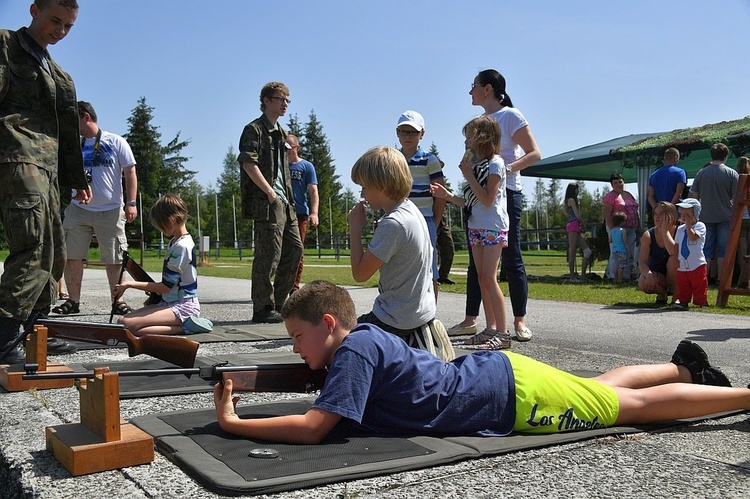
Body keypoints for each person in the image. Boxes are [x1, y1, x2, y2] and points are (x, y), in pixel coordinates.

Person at [213, 280, 746, 445]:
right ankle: (683, 367)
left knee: (629, 407)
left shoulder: (353, 350)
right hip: (499, 380)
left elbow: (313, 428)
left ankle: (741, 396)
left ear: (329, 325)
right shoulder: (363, 338)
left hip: (510, 396)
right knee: (599, 387)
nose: (296, 349)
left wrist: (235, 422)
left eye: (299, 337)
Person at [0, 0, 92, 363]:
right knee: (33, 244)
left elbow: (68, 133)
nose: (60, 31)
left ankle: (37, 330)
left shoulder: (59, 74)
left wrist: (75, 178)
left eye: (68, 25)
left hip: (49, 169)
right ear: (34, 9)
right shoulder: (6, 46)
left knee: (55, 250)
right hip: (16, 157)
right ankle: (4, 336)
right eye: (55, 20)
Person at [447, 69, 541, 343]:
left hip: (506, 193)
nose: (470, 91)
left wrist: (500, 170)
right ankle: (473, 321)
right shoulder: (478, 122)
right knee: (480, 270)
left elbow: (535, 153)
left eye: (473, 86)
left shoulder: (510, 114)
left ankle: (517, 321)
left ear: (487, 89)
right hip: (480, 200)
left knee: (511, 259)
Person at [348, 146, 453, 361]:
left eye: (365, 187)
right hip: (420, 312)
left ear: (382, 185)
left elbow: (359, 274)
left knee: (341, 344)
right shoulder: (411, 210)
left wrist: (355, 228)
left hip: (396, 318)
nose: (362, 194)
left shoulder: (393, 224)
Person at [52, 101, 138, 317]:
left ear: (87, 117)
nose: (73, 125)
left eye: (76, 119)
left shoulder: (116, 141)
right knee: (71, 256)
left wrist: (131, 202)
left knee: (115, 257)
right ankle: (73, 301)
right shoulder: (72, 144)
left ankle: (118, 301)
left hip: (110, 209)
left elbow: (130, 172)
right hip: (77, 208)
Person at [431, 116, 510, 350]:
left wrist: (468, 176)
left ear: (483, 137)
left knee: (489, 279)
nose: (466, 141)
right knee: (481, 279)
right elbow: (470, 202)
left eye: (470, 135)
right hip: (476, 225)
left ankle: (503, 334)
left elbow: (487, 199)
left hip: (492, 226)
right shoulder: (477, 166)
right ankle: (491, 329)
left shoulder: (496, 164)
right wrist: (446, 195)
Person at [238, 82, 303, 323]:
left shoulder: (283, 133)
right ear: (266, 100)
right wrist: (269, 192)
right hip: (268, 201)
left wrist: (287, 198)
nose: (284, 104)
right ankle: (262, 307)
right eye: (280, 99)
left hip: (286, 201)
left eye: (287, 100)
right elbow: (248, 163)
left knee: (295, 249)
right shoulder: (254, 130)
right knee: (269, 254)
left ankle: (279, 302)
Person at [114, 195, 201, 336]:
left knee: (127, 325)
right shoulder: (175, 242)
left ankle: (187, 327)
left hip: (183, 306)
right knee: (123, 322)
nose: (160, 228)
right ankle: (182, 325)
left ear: (173, 218)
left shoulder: (182, 246)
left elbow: (165, 287)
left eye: (162, 223)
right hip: (169, 303)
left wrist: (129, 284)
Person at [396, 110, 446, 298]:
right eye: (404, 131)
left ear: (422, 134)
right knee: (401, 267)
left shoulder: (429, 160)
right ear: (397, 133)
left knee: (429, 268)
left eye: (413, 132)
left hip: (425, 220)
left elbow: (440, 194)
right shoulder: (394, 159)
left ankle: (430, 315)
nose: (408, 136)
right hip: (400, 219)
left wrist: (436, 220)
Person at [689, 143, 739, 285]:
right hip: (725, 216)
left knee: (706, 249)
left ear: (711, 155)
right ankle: (721, 280)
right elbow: (737, 199)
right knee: (723, 249)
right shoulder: (731, 173)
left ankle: (704, 279)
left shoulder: (701, 173)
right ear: (725, 156)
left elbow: (694, 197)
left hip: (705, 216)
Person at [286, 133, 318, 294]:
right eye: (284, 148)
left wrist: (314, 212)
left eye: (289, 148)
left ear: (297, 148)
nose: (287, 151)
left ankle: (294, 287)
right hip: (282, 214)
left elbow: (313, 191)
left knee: (298, 251)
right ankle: (281, 286)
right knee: (282, 252)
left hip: (300, 214)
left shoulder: (306, 167)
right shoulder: (280, 167)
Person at [664, 198, 708, 310]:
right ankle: (683, 300)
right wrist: (675, 256)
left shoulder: (700, 226)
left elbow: (693, 237)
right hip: (683, 263)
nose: (684, 217)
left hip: (697, 263)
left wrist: (688, 225)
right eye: (682, 214)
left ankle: (701, 301)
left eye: (687, 214)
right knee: (683, 283)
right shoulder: (680, 229)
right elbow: (677, 244)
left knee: (699, 283)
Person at [638, 201, 679, 305]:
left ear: (672, 215)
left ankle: (676, 296)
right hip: (658, 274)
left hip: (677, 274)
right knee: (642, 281)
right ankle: (662, 294)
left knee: (673, 259)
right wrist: (649, 274)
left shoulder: (680, 231)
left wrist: (665, 231)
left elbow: (672, 252)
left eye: (661, 213)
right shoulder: (648, 235)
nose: (657, 217)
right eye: (655, 214)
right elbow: (642, 262)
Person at [603, 173, 640, 281]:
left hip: (631, 228)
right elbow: (607, 214)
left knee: (629, 252)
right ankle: (613, 275)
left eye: (620, 182)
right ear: (612, 185)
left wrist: (638, 226)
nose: (618, 184)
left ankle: (626, 275)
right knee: (616, 252)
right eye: (615, 182)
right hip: (616, 229)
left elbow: (635, 211)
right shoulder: (610, 197)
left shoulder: (628, 194)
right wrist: (612, 230)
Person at [564, 182, 592, 282]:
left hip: (574, 225)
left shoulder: (568, 200)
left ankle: (582, 276)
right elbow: (577, 214)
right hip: (573, 225)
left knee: (587, 251)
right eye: (576, 189)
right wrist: (583, 224)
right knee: (572, 251)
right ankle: (572, 277)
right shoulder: (571, 200)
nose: (578, 191)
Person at [735, 157, 750, 288]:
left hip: (741, 217)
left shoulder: (737, 180)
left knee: (742, 248)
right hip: (748, 216)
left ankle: (743, 276)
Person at [609, 212, 632, 285]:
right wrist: (629, 251)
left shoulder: (612, 231)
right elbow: (626, 242)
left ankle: (615, 279)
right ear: (621, 221)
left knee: (616, 265)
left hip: (615, 250)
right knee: (621, 267)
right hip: (622, 250)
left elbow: (610, 240)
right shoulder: (622, 231)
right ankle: (620, 280)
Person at [436, 214, 456, 285]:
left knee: (449, 248)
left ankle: (443, 276)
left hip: (443, 222)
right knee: (428, 252)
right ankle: (431, 278)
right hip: (429, 218)